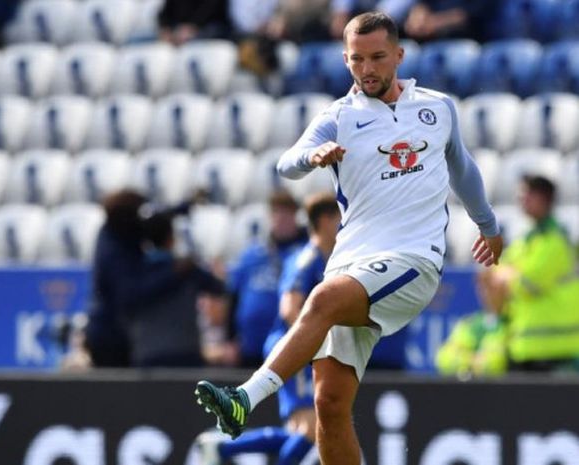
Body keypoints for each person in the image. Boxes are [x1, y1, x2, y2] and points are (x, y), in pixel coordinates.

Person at [194, 12, 503, 465]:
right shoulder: (338, 117)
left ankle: (243, 397)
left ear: (398, 54)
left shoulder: (436, 108)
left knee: (321, 300)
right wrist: (311, 157)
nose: (368, 68)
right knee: (329, 405)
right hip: (353, 264)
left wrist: (489, 226)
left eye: (378, 57)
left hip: (412, 260)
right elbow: (287, 162)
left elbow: (464, 169)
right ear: (345, 60)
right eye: (357, 59)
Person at [196, 193, 340, 465]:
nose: (344, 227)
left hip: (301, 345)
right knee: (311, 429)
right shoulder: (305, 259)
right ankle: (223, 449)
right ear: (324, 221)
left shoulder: (323, 259)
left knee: (301, 430)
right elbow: (289, 308)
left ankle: (221, 448)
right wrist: (312, 341)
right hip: (296, 345)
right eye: (339, 219)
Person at [475, 175, 579, 372]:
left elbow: (527, 283)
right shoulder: (526, 240)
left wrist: (506, 275)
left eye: (527, 194)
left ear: (544, 199)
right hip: (524, 345)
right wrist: (504, 275)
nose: (520, 199)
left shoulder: (554, 241)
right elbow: (491, 273)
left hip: (557, 348)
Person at [84, 189, 192, 367]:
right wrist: (174, 273)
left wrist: (181, 208)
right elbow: (132, 294)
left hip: (113, 330)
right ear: (128, 217)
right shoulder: (114, 252)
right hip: (110, 336)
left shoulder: (117, 231)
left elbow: (153, 221)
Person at [127, 211, 226, 367]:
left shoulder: (134, 271)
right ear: (170, 238)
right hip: (185, 355)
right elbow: (219, 288)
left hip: (148, 357)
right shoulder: (187, 269)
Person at [227, 190, 309, 367]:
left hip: (287, 346)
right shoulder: (253, 254)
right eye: (276, 213)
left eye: (286, 214)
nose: (280, 220)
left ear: (295, 217)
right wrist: (230, 338)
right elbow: (234, 296)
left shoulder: (306, 255)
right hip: (249, 347)